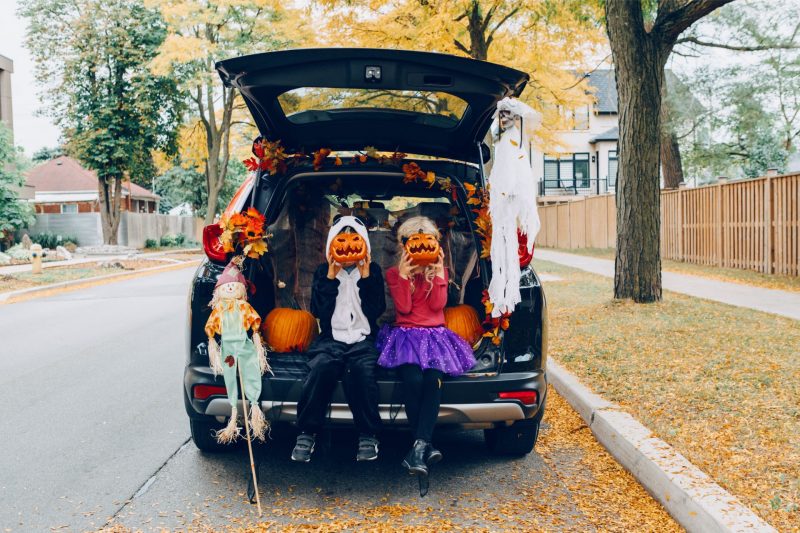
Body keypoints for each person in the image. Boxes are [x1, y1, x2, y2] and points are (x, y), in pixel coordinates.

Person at [377, 216, 476, 479]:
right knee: (412, 379)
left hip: (435, 336)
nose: (422, 247)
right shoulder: (393, 273)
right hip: (406, 336)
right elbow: (405, 309)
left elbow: (436, 307)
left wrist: (440, 270)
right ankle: (424, 444)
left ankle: (419, 446)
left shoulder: (439, 272)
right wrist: (403, 276)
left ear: (436, 244)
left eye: (428, 241)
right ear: (404, 245)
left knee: (433, 381)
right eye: (415, 242)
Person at [291, 215, 386, 463]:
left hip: (363, 338)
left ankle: (368, 434)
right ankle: (307, 431)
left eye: (355, 240)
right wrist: (331, 279)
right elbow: (319, 312)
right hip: (331, 338)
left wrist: (365, 278)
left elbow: (376, 310)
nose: (348, 246)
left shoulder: (372, 271)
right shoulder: (324, 272)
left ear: (364, 243)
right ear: (332, 244)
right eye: (341, 240)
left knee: (362, 371)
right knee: (322, 367)